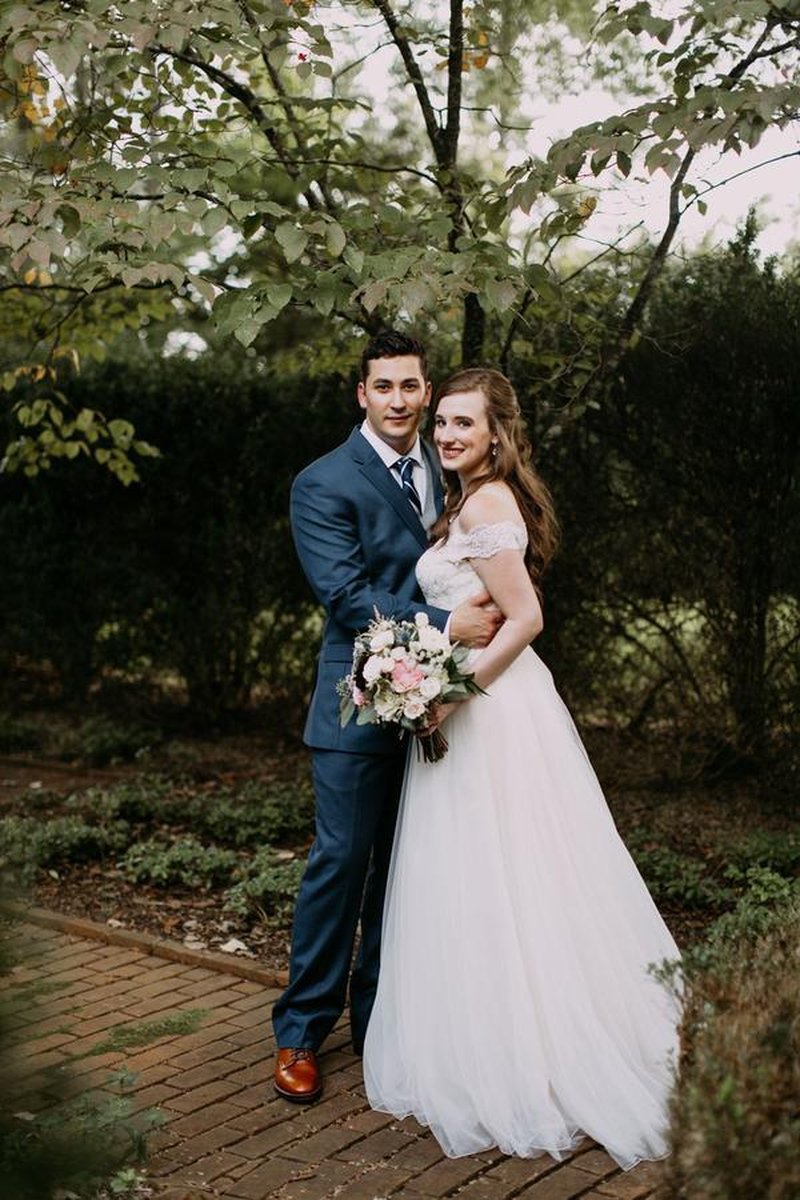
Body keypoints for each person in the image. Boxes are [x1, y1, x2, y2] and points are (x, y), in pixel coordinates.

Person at [363, 367, 682, 1169]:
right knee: (481, 877)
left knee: (514, 873)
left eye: (462, 424)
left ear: (497, 435)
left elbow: (528, 617)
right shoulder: (465, 501)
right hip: (473, 706)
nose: (445, 435)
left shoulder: (489, 500)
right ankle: (487, 1032)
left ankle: (532, 1050)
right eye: (441, 424)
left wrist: (455, 692)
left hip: (495, 715)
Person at [272, 332, 502, 1103]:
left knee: (405, 878)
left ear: (428, 391)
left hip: (438, 707)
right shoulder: (322, 482)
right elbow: (343, 596)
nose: (400, 401)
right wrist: (445, 625)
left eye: (411, 387)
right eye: (384, 388)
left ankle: (380, 1026)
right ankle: (302, 1033)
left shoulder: (452, 470)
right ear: (361, 395)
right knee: (341, 868)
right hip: (358, 704)